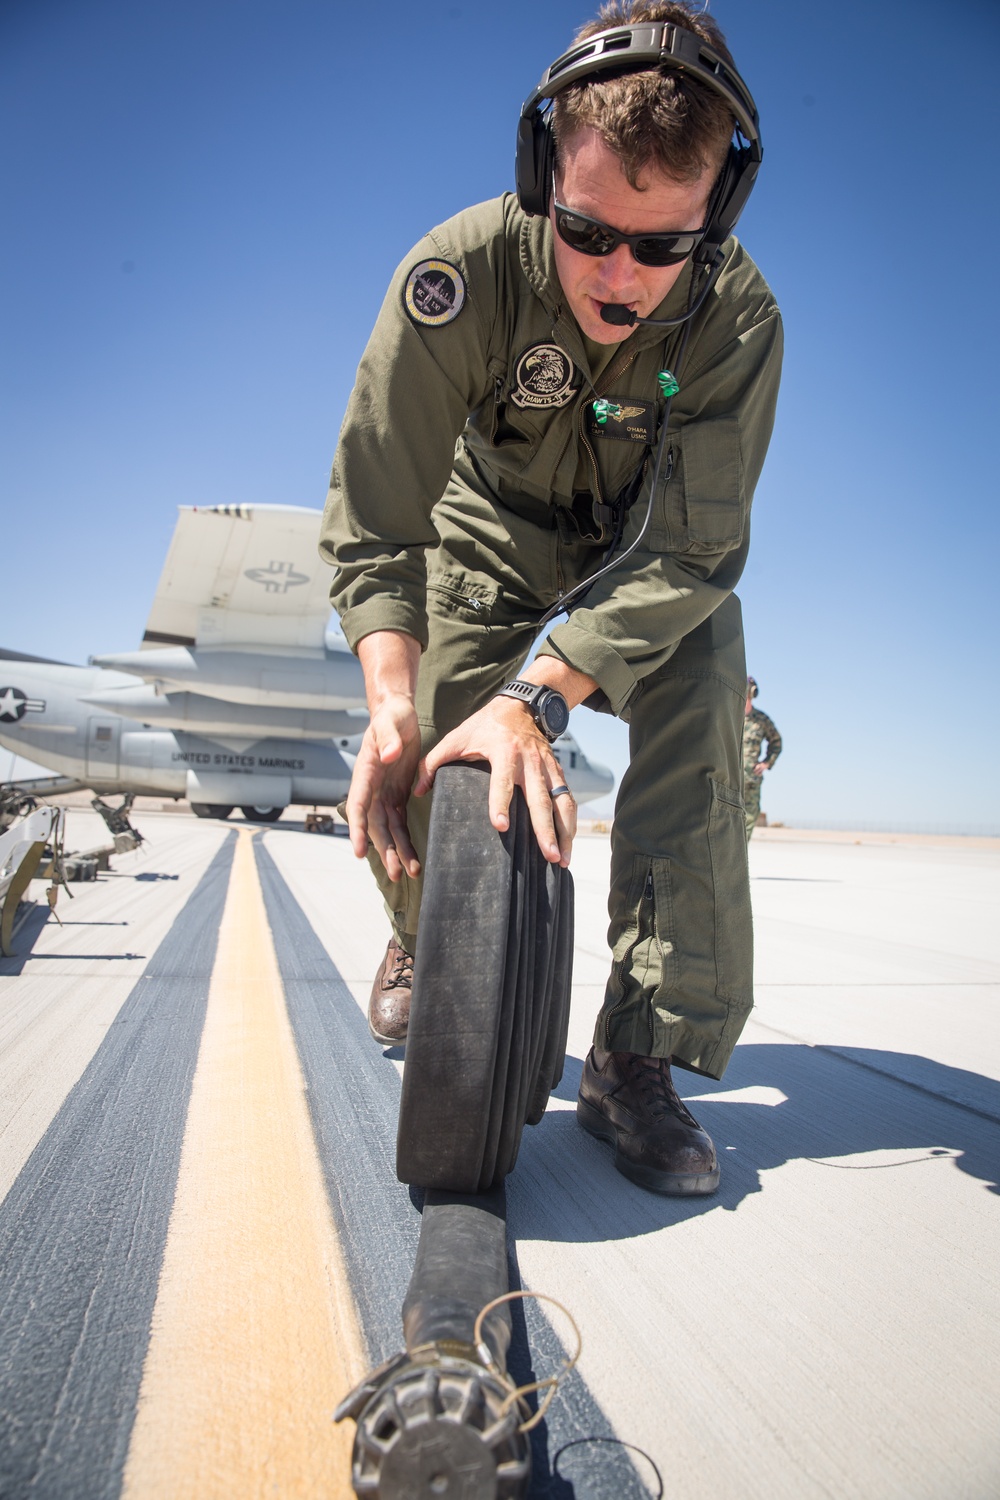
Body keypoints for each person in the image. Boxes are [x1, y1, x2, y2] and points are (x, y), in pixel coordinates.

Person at [319, 0, 782, 1197]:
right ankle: (426, 942)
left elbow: (692, 552)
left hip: (641, 562)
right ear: (540, 178)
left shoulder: (736, 321)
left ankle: (636, 1057)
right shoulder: (457, 276)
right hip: (486, 537)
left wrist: (541, 692)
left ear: (715, 215)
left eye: (662, 246)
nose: (621, 277)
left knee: (703, 728)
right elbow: (379, 517)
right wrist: (388, 700)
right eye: (586, 232)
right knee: (425, 739)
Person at [742, 675, 782, 839]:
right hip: (728, 778)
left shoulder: (761, 720)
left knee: (748, 821)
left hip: (750, 779)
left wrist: (766, 763)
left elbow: (776, 741)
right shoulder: (729, 717)